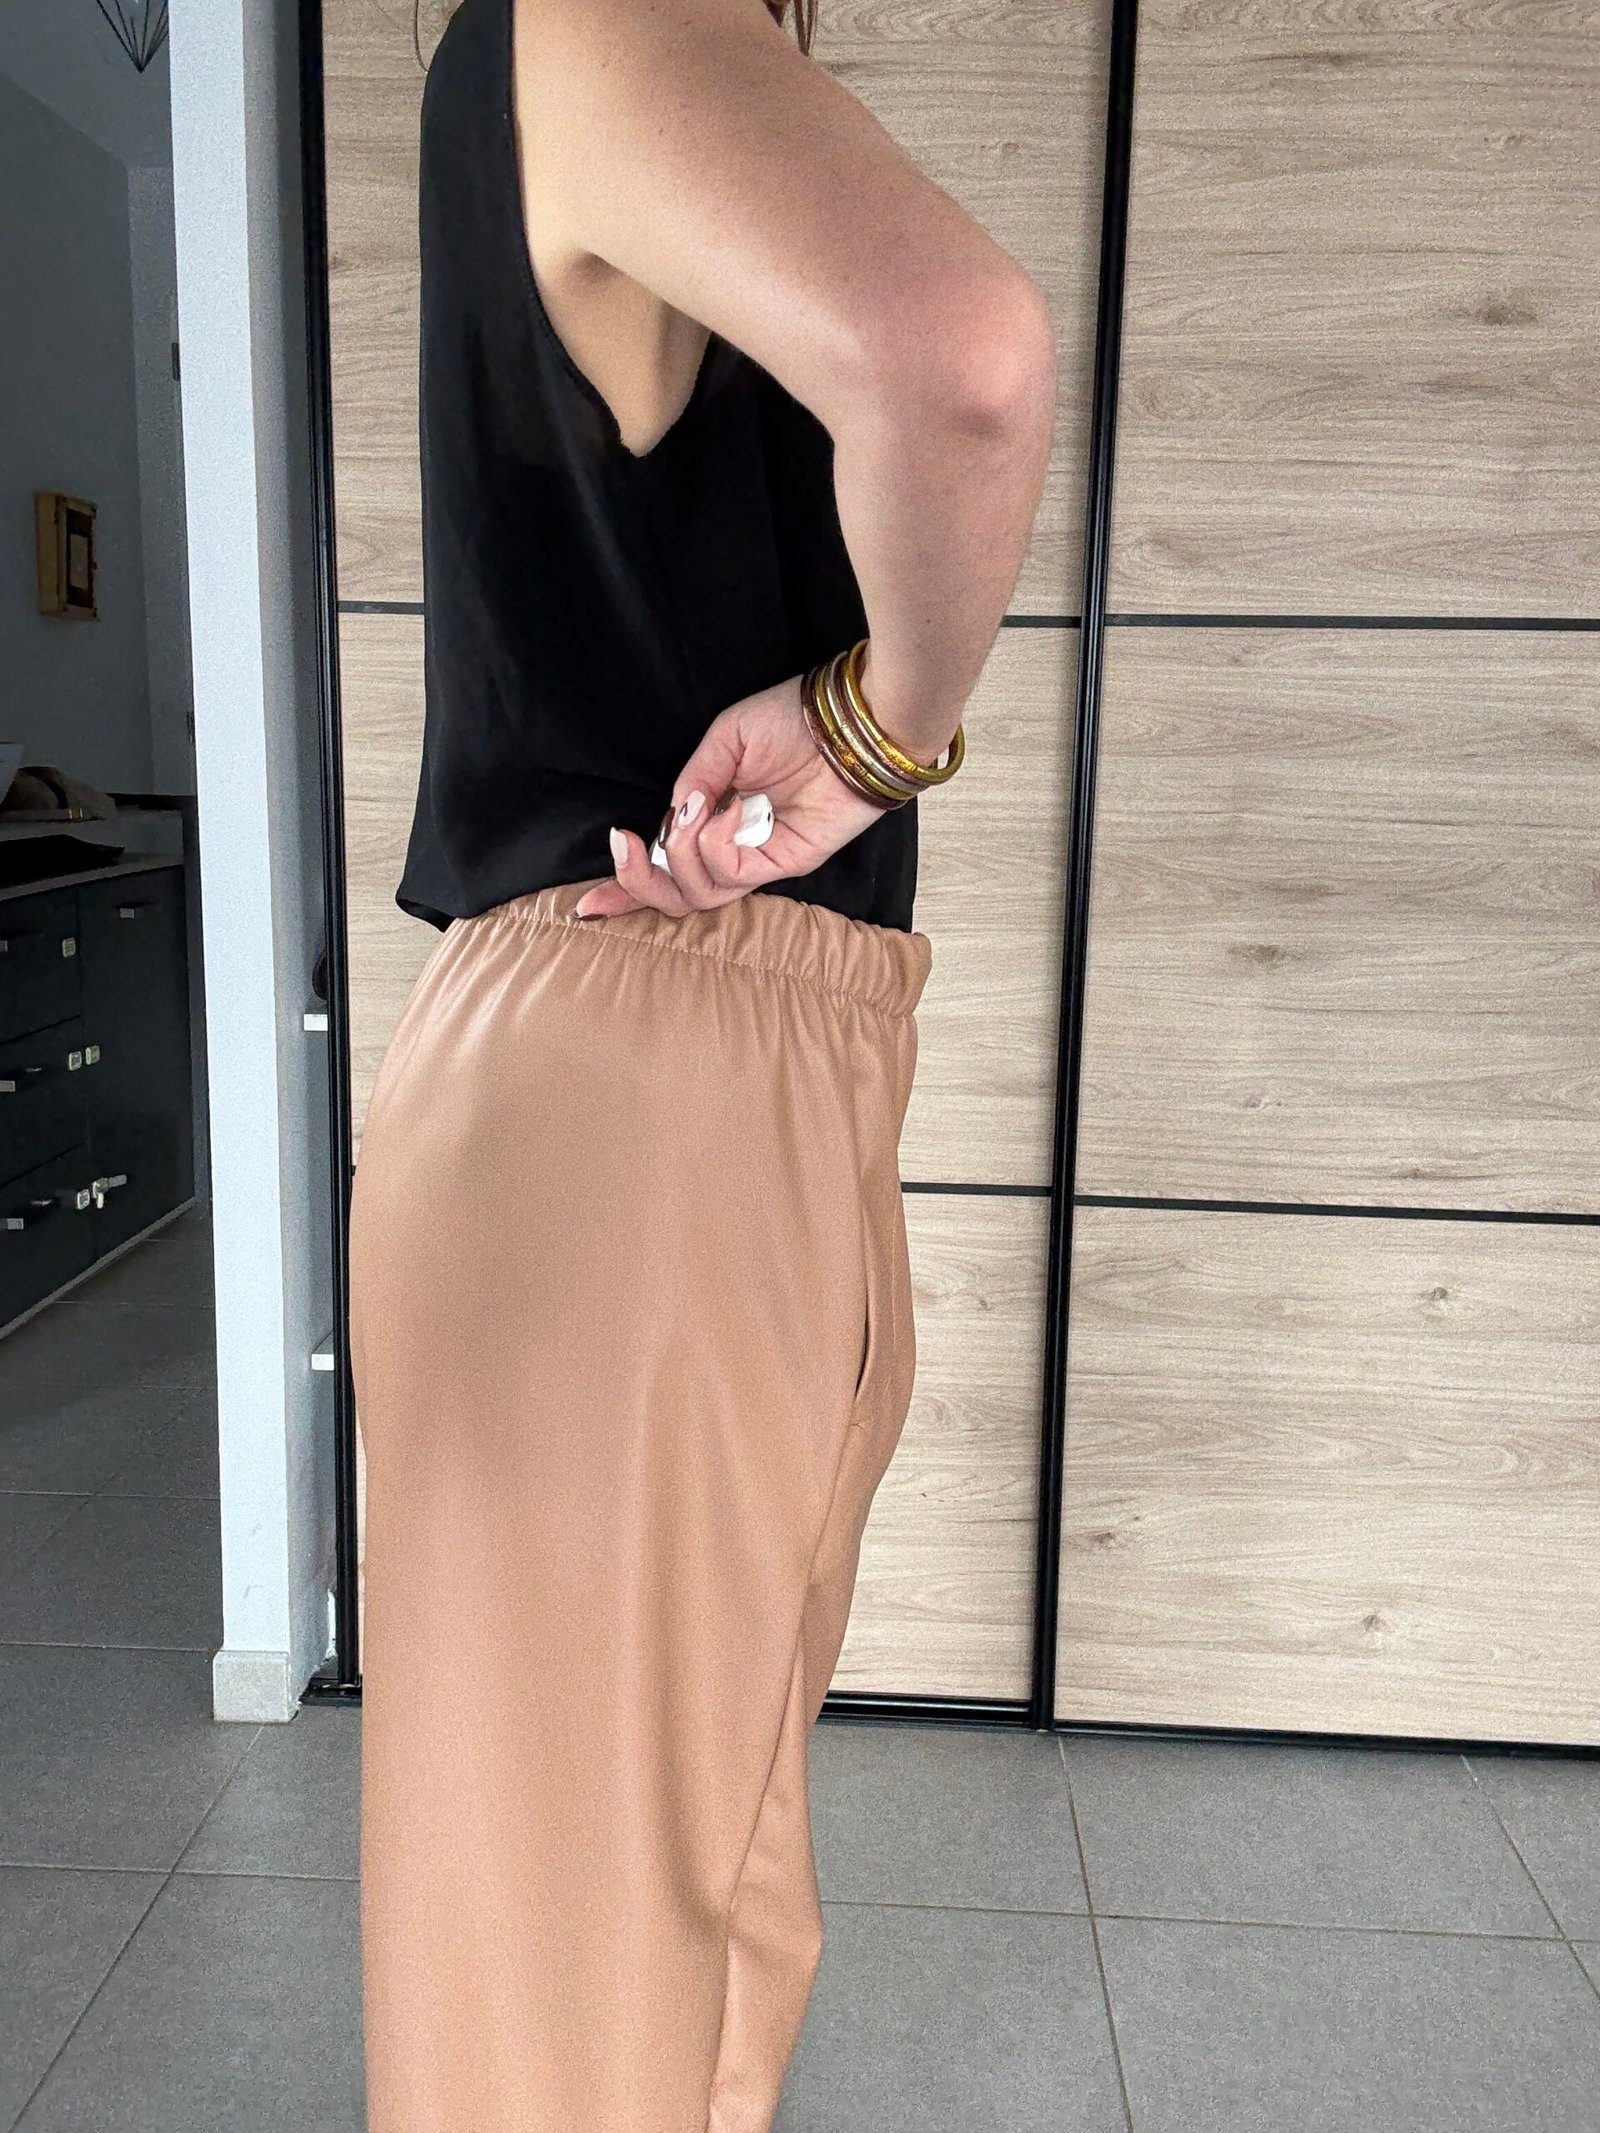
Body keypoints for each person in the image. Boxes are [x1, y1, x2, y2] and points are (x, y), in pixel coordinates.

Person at [345, 0, 1056, 2124]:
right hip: (651, 1069)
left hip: (604, 1061)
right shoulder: (605, 14)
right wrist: (878, 728)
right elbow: (962, 359)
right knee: (603, 1983)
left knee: (571, 1948)